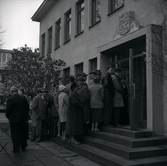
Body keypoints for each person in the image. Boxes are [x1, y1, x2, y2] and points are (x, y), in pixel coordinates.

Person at [5, 86, 29, 153]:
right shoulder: (23, 98)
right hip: (22, 119)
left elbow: (7, 111)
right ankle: (23, 146)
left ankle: (16, 149)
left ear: (12, 92)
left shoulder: (10, 99)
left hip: (14, 120)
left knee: (15, 134)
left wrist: (10, 117)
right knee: (22, 133)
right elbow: (27, 108)